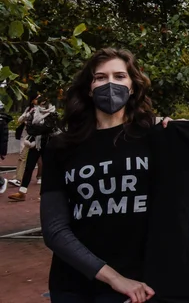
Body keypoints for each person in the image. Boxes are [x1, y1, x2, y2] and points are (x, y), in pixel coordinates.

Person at [38, 48, 162, 303]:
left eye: (119, 76)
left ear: (133, 86)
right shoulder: (61, 147)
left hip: (140, 283)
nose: (110, 84)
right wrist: (114, 278)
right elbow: (54, 229)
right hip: (75, 283)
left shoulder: (155, 138)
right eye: (100, 77)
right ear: (89, 88)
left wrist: (180, 132)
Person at [8, 94, 59, 201]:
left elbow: (48, 127)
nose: (39, 102)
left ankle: (44, 193)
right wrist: (38, 129)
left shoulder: (53, 113)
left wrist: (38, 129)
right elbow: (30, 127)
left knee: (47, 168)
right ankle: (22, 192)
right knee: (29, 167)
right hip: (34, 143)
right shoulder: (32, 112)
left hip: (48, 143)